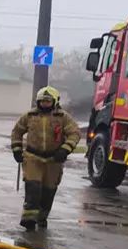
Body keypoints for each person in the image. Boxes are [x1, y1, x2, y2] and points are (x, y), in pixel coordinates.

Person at [10, 86, 80, 230]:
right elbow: (17, 132)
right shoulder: (29, 116)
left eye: (48, 101)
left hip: (53, 160)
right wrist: (17, 149)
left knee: (48, 192)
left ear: (55, 102)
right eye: (42, 101)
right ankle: (28, 220)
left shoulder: (63, 117)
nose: (45, 104)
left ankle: (42, 218)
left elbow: (74, 134)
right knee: (33, 188)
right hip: (33, 158)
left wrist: (64, 150)